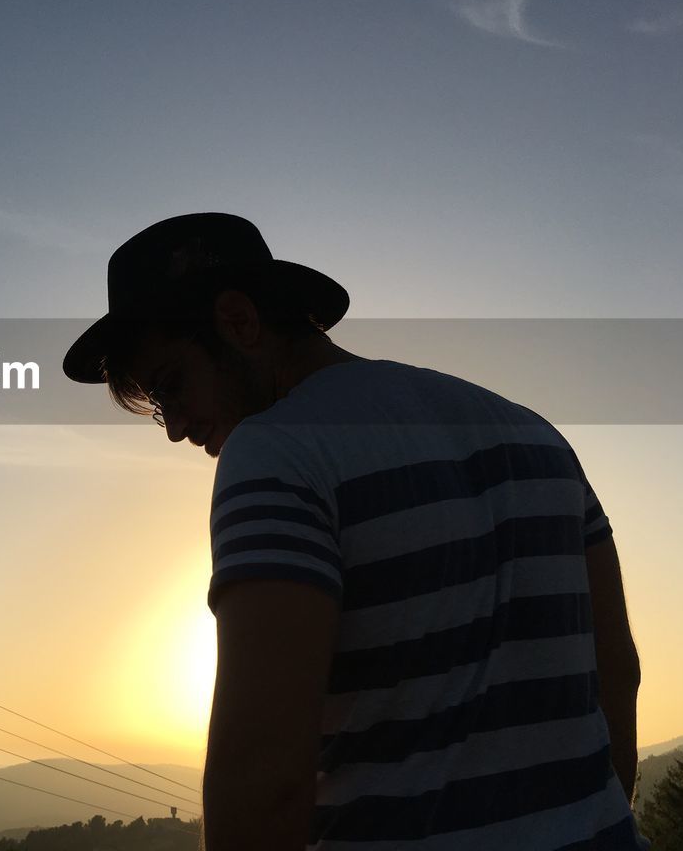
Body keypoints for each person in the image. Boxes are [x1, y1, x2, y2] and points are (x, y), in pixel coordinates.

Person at [62, 213, 648, 850]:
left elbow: (264, 781)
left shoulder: (276, 453)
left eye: (171, 387)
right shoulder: (533, 433)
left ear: (238, 323)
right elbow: (616, 671)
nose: (174, 427)